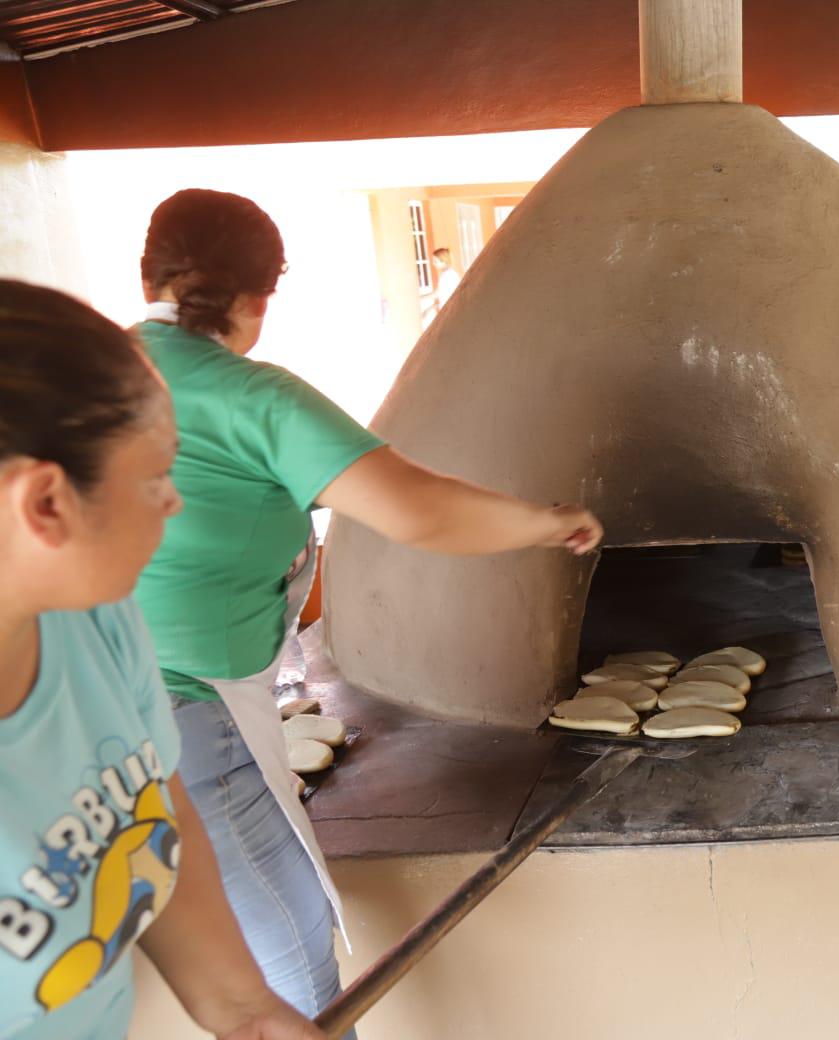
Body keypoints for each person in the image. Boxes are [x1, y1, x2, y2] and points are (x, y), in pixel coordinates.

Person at [131, 189, 603, 1027]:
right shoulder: (250, 397)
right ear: (256, 298)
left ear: (150, 275)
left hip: (110, 702)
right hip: (185, 721)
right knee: (284, 971)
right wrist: (550, 520)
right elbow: (415, 508)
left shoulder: (99, 371)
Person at [0, 280, 321, 1040]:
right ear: (46, 504)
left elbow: (152, 804)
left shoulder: (93, 621)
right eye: (154, 478)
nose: (172, 502)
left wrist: (243, 1009)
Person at [431, 247, 462, 312]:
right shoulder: (446, 274)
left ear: (443, 261)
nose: (433, 264)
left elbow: (437, 294)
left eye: (435, 261)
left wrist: (417, 298)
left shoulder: (449, 275)